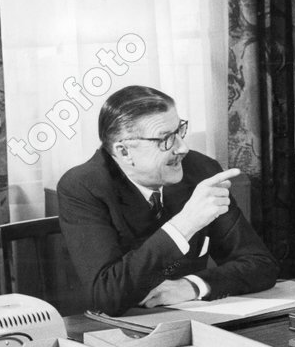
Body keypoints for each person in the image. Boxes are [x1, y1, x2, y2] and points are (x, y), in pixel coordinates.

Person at [57, 85, 278, 315]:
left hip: (195, 321)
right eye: (166, 139)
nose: (183, 147)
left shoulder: (200, 169)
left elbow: (261, 264)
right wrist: (185, 224)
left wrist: (193, 286)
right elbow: (107, 295)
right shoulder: (82, 187)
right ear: (124, 152)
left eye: (180, 130)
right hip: (118, 330)